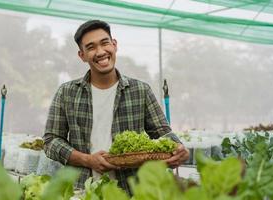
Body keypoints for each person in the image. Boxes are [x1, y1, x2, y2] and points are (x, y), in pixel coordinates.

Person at [43, 19, 189, 193]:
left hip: (130, 191)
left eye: (105, 43)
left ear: (114, 45)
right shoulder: (67, 93)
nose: (100, 52)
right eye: (91, 47)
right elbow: (51, 141)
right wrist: (87, 160)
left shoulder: (140, 90)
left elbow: (163, 132)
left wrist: (178, 148)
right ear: (82, 55)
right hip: (83, 191)